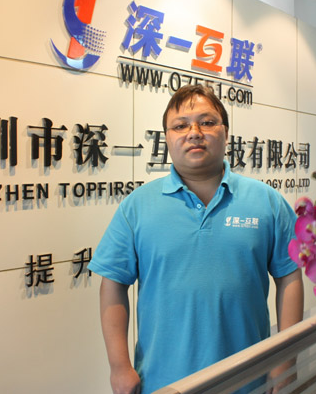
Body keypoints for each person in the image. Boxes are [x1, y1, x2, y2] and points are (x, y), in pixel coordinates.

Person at [88, 84, 303, 394]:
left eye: (207, 122)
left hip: (249, 377)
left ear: (225, 133)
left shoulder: (267, 201)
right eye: (180, 125)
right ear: (166, 138)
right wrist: (119, 366)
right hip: (163, 380)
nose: (194, 133)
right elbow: (112, 284)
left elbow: (289, 276)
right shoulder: (137, 206)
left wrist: (285, 359)